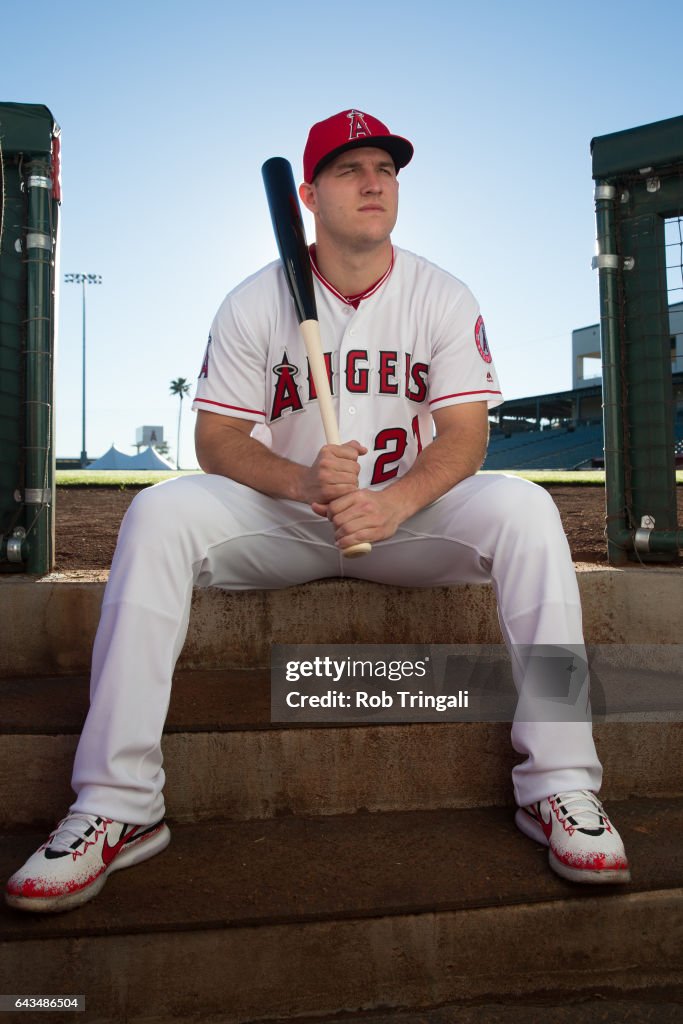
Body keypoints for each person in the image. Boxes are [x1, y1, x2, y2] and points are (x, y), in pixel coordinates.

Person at [5, 108, 630, 914]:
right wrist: (302, 481)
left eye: (387, 170)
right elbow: (217, 438)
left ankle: (560, 785)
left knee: (526, 511)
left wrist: (394, 500)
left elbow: (466, 436)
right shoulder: (254, 299)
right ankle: (118, 803)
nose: (374, 183)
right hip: (286, 524)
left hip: (407, 524)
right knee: (159, 514)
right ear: (308, 193)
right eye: (349, 170)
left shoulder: (440, 293)